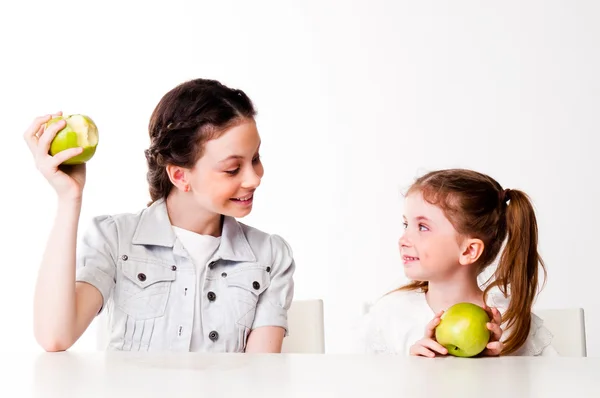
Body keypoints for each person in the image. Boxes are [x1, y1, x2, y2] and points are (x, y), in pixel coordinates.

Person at [25, 78, 295, 353]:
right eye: (232, 169)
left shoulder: (270, 256)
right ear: (179, 175)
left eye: (255, 159)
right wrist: (69, 198)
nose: (254, 179)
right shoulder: (116, 239)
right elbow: (54, 336)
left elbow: (259, 377)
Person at [353, 168, 557, 356]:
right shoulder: (389, 316)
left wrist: (497, 367)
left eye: (422, 227)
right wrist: (410, 369)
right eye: (406, 224)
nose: (404, 239)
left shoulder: (511, 323)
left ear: (469, 250)